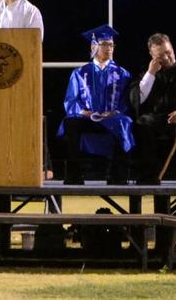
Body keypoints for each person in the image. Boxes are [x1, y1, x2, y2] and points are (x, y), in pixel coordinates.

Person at [57, 25, 134, 185]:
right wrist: (84, 112)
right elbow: (71, 100)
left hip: (111, 119)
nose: (109, 48)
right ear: (94, 46)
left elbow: (126, 101)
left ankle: (118, 176)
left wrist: (114, 112)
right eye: (104, 44)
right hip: (87, 118)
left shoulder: (122, 73)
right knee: (70, 122)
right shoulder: (79, 73)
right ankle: (74, 175)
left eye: (111, 45)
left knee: (124, 121)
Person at [128, 33, 176, 184]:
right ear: (152, 55)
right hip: (159, 118)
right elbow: (137, 99)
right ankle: (148, 177)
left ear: (173, 48)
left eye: (169, 53)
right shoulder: (146, 72)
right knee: (143, 122)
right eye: (161, 56)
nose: (167, 58)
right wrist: (151, 73)